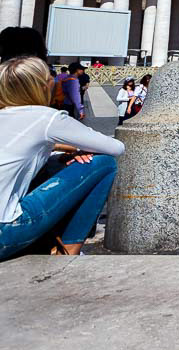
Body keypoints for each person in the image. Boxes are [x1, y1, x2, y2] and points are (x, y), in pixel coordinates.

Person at [0, 56, 125, 259]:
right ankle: (69, 251)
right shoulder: (45, 117)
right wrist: (75, 149)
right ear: (42, 86)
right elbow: (116, 147)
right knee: (103, 164)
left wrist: (57, 150)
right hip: (4, 232)